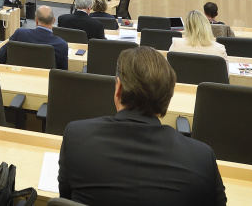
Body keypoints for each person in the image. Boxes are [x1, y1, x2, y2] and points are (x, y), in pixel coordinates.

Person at [58, 46, 227, 205]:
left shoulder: (76, 136)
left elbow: (65, 199)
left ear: (119, 88)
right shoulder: (202, 158)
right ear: (168, 97)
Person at [0, 5, 68, 70]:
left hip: (19, 78)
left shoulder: (20, 34)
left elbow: (1, 57)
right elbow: (62, 72)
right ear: (53, 20)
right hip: (46, 81)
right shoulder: (61, 45)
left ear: (36, 21)